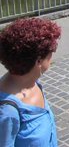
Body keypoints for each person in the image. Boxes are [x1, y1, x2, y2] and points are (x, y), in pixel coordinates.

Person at [0, 17, 61, 147]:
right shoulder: (7, 112)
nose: (52, 57)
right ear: (38, 61)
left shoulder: (31, 82)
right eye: (50, 53)